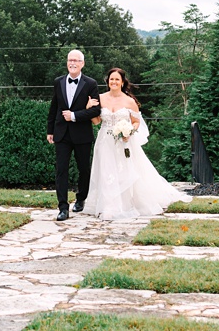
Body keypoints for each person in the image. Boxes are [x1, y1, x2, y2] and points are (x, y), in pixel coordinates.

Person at [81, 67, 190, 219]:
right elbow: (97, 121)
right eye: (111, 79)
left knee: (125, 172)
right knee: (106, 172)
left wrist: (129, 132)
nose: (114, 82)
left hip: (123, 143)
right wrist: (88, 109)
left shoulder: (129, 101)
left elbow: (136, 122)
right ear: (107, 81)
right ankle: (108, 206)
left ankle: (126, 204)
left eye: (117, 79)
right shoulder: (100, 98)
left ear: (122, 82)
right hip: (105, 141)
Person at [46, 49, 102, 221]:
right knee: (61, 170)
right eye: (70, 60)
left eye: (76, 60)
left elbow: (96, 110)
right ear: (67, 62)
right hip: (61, 133)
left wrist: (75, 115)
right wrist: (50, 130)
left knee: (84, 169)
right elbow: (54, 106)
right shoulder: (58, 82)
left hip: (82, 134)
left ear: (82, 63)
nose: (73, 63)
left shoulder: (90, 83)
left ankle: (81, 198)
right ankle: (63, 208)